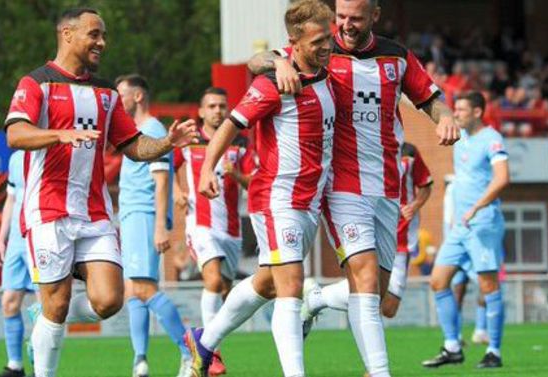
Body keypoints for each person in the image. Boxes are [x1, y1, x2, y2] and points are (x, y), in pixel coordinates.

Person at [248, 1, 458, 374]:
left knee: (377, 292)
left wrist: (446, 119)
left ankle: (315, 298)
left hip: (388, 186)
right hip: (343, 184)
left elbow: (431, 99)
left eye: (355, 19)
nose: (344, 26)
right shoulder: (321, 48)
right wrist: (278, 62)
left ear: (374, 16)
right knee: (363, 279)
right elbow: (258, 59)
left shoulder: (397, 57)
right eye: (340, 16)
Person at [3, 8, 197, 377]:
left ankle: (43, 317)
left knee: (110, 300)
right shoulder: (36, 83)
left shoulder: (106, 92)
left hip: (94, 213)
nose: (102, 42)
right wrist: (59, 134)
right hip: (47, 211)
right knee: (57, 306)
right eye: (94, 34)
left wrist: (167, 142)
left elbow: (134, 146)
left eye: (103, 35)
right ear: (67, 34)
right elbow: (15, 134)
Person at [184, 2, 335, 376]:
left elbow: (260, 57)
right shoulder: (273, 84)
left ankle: (203, 342)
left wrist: (276, 58)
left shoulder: (327, 71)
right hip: (276, 198)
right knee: (291, 287)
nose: (327, 45)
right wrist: (208, 170)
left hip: (309, 200)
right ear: (294, 43)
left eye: (329, 37)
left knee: (268, 282)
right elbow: (231, 124)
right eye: (318, 40)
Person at [300, 141, 433, 328]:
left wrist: (414, 205)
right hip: (372, 230)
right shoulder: (364, 145)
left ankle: (317, 298)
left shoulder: (409, 153)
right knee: (370, 291)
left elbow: (426, 184)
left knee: (389, 307)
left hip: (402, 236)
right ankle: (373, 349)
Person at [422, 91, 509, 369]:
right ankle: (452, 346)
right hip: (459, 228)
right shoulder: (460, 139)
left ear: (477, 112)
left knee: (488, 286)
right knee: (438, 280)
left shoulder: (492, 139)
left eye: (460, 110)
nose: (455, 113)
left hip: (483, 224)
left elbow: (503, 178)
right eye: (455, 109)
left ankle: (493, 351)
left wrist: (477, 207)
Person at [172, 86, 254, 376]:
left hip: (232, 230)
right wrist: (177, 190)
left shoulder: (240, 142)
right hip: (201, 224)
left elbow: (253, 184)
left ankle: (199, 342)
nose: (218, 111)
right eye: (212, 106)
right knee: (213, 280)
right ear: (201, 111)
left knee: (226, 293)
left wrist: (237, 175)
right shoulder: (190, 141)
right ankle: (213, 354)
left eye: (222, 106)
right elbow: (166, 167)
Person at [115, 74, 193, 377]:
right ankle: (140, 361)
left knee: (144, 289)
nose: (117, 100)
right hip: (135, 217)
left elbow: (160, 180)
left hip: (144, 217)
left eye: (121, 93)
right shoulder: (139, 132)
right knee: (133, 291)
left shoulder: (152, 130)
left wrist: (161, 226)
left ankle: (190, 352)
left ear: (137, 97)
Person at [0, 150, 38, 377]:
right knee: (9, 302)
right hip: (16, 243)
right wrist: (1, 240)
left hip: (40, 238)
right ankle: (15, 366)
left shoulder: (48, 152)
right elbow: (11, 199)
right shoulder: (15, 157)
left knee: (45, 306)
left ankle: (42, 365)